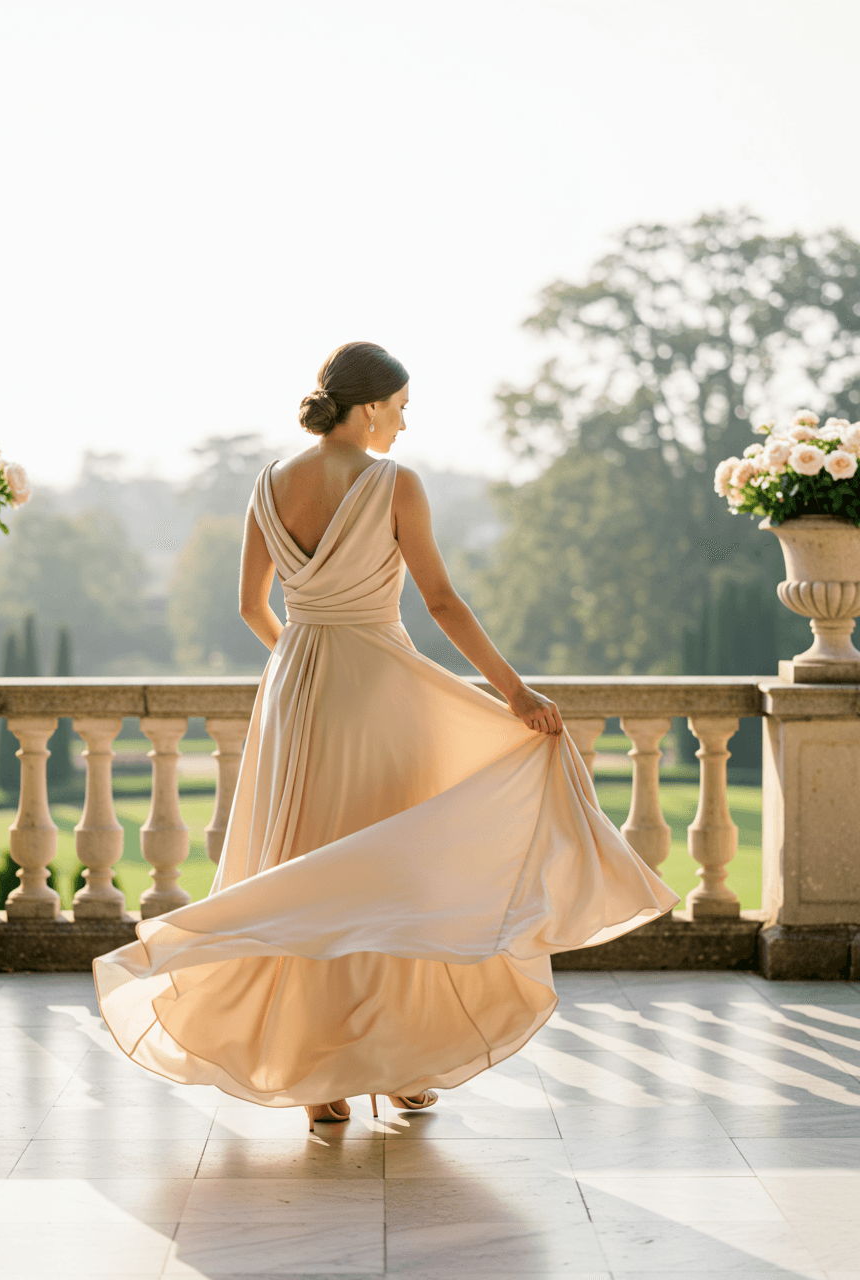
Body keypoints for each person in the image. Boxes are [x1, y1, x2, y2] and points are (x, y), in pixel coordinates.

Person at [93, 341, 679, 1131]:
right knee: (396, 873)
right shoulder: (394, 482)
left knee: (302, 869)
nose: (403, 424)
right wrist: (514, 692)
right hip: (380, 693)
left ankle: (318, 1082)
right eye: (400, 408)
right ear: (368, 408)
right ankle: (399, 1067)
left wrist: (308, 659)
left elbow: (249, 606)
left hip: (296, 692)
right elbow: (441, 602)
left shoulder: (267, 484)